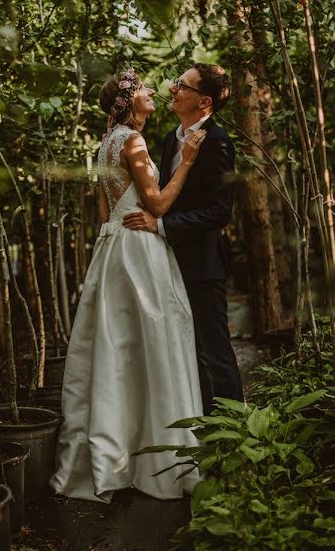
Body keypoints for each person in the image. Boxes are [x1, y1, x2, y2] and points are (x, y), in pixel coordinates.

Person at [50, 68, 206, 502]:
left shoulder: (107, 142)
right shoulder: (133, 142)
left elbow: (105, 212)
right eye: (142, 89)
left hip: (113, 250)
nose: (152, 91)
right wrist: (188, 160)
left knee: (117, 349)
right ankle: (157, 460)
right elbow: (155, 203)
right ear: (126, 101)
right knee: (153, 344)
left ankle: (115, 454)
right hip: (139, 248)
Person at [122, 63, 244, 415]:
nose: (173, 89)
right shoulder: (167, 139)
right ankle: (202, 427)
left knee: (214, 351)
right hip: (164, 261)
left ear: (204, 101)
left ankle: (235, 432)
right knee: (186, 351)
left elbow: (219, 211)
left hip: (202, 265)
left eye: (183, 86)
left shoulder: (218, 143)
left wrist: (160, 226)